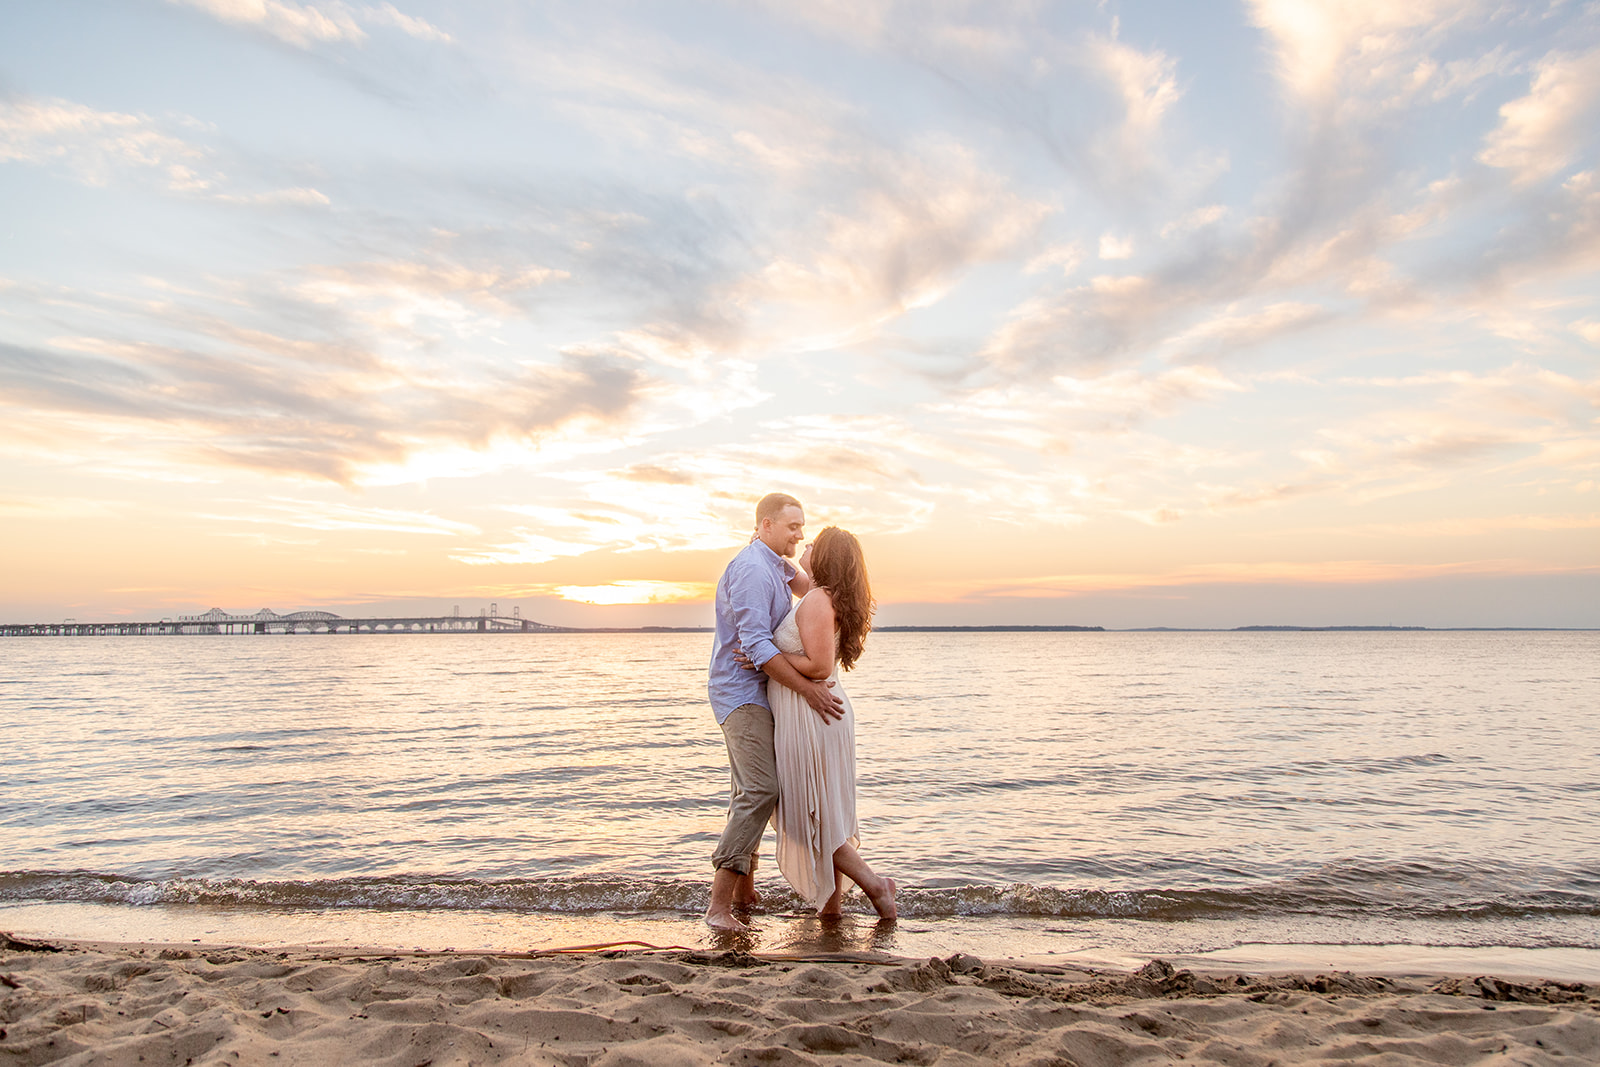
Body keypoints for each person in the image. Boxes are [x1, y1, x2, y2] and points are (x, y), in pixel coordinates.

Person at [706, 493, 844, 932]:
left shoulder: (776, 564)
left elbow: (815, 593)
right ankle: (718, 906)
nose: (800, 534)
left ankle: (745, 896)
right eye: (792, 527)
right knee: (761, 791)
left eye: (803, 527)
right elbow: (757, 645)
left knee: (746, 791)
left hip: (761, 692)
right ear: (765, 525)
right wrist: (810, 690)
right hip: (741, 693)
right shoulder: (751, 569)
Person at [764, 526, 896, 919]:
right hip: (817, 713)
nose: (804, 547)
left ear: (825, 559)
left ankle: (876, 887)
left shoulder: (819, 600)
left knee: (810, 816)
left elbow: (820, 667)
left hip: (812, 714)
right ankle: (831, 908)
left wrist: (765, 655)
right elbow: (793, 576)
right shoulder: (821, 595)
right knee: (824, 812)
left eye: (812, 545)